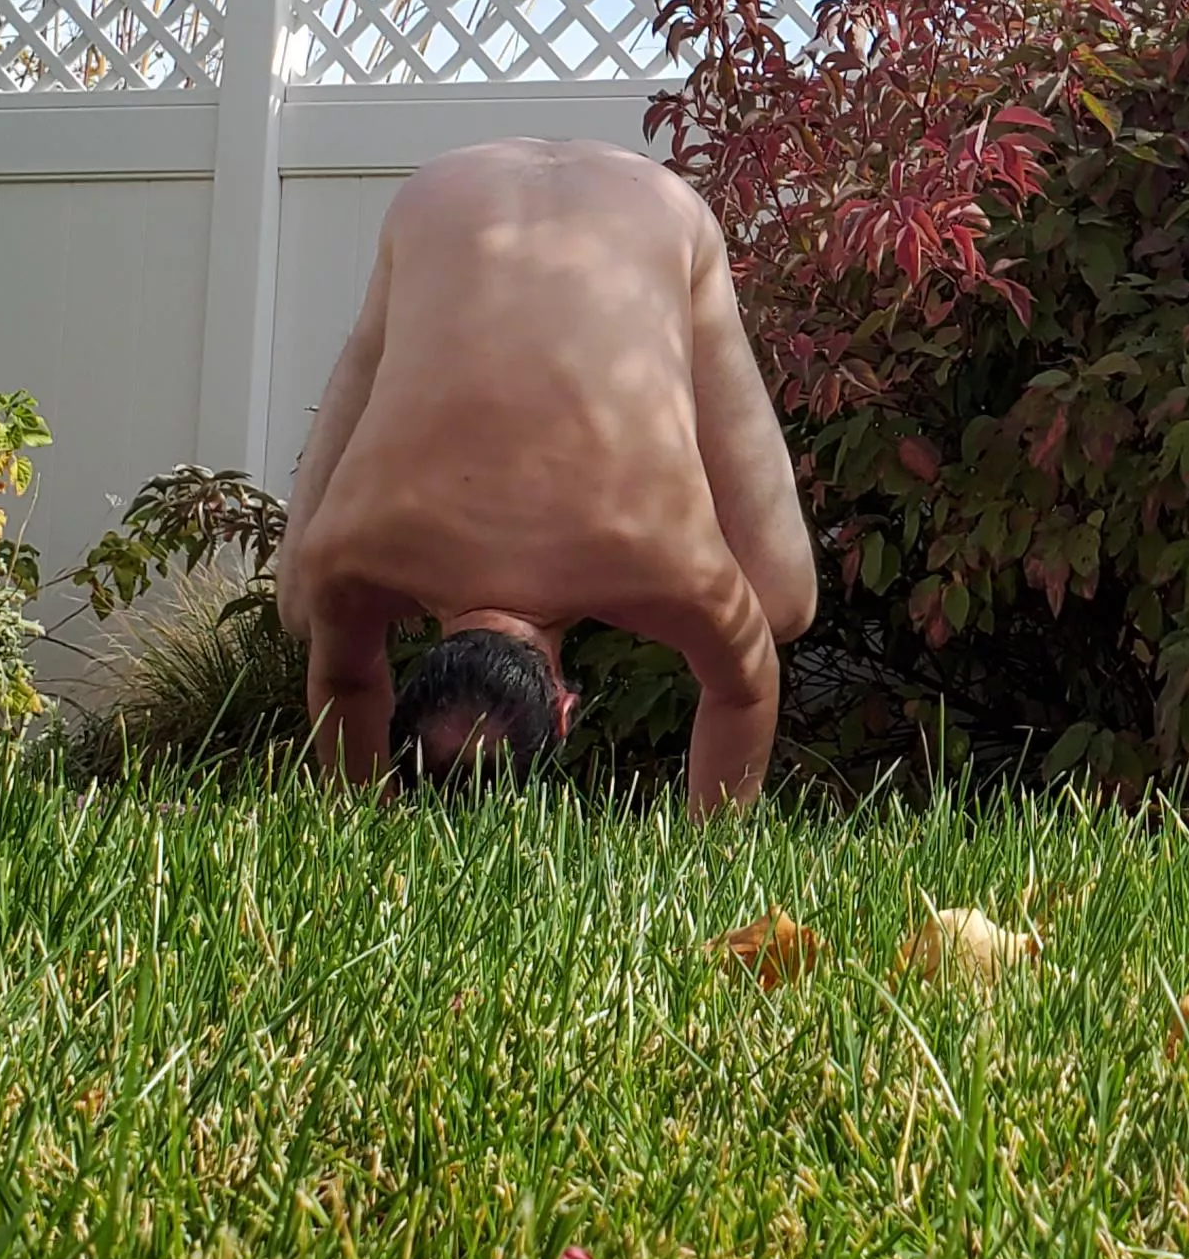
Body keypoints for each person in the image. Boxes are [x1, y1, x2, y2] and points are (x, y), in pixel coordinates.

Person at [276, 136, 816, 814]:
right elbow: (344, 679)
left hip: (651, 212)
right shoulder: (345, 559)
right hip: (447, 196)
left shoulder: (673, 564)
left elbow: (746, 686)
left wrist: (712, 850)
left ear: (565, 709)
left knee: (783, 609)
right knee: (304, 607)